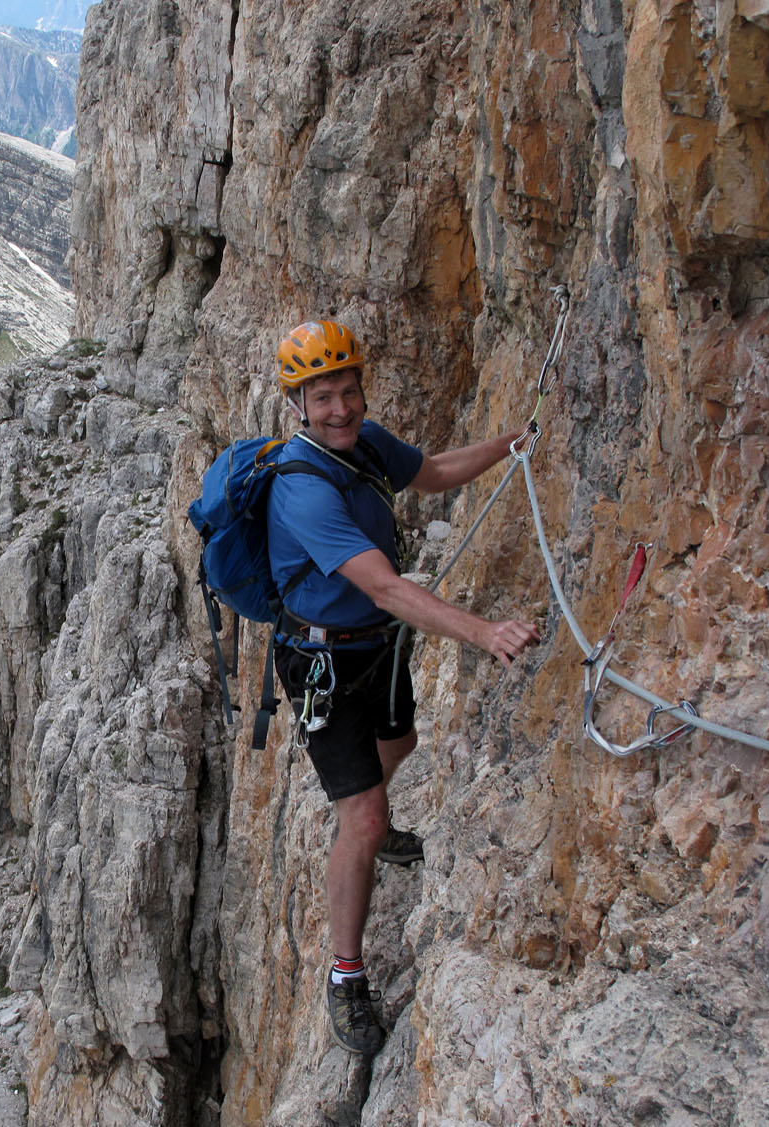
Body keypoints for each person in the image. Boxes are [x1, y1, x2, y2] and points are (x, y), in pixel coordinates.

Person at [265, 320, 541, 1056]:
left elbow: (437, 471)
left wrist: (510, 442)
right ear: (299, 402)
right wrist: (485, 632)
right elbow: (386, 588)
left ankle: (372, 820)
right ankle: (346, 974)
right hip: (322, 663)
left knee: (404, 741)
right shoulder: (301, 490)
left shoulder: (366, 444)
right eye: (324, 396)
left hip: (373, 648)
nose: (341, 408)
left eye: (349, 390)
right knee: (361, 816)